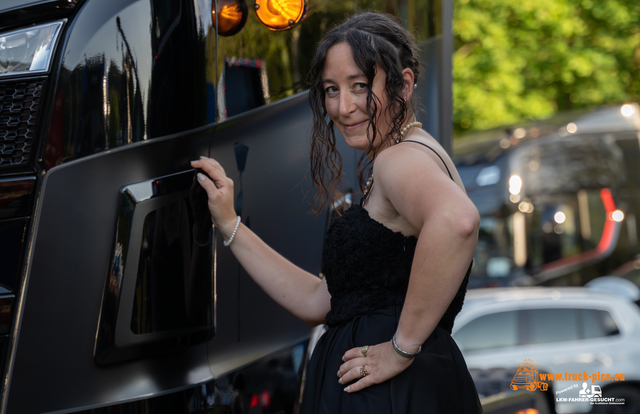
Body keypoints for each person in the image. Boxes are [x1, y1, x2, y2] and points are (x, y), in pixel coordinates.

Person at [191, 11, 482, 413]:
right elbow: (319, 300)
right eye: (331, 90)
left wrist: (400, 348)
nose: (343, 107)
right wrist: (229, 223)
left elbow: (458, 221)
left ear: (404, 84)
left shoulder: (398, 160)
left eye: (360, 86)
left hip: (390, 393)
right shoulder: (412, 153)